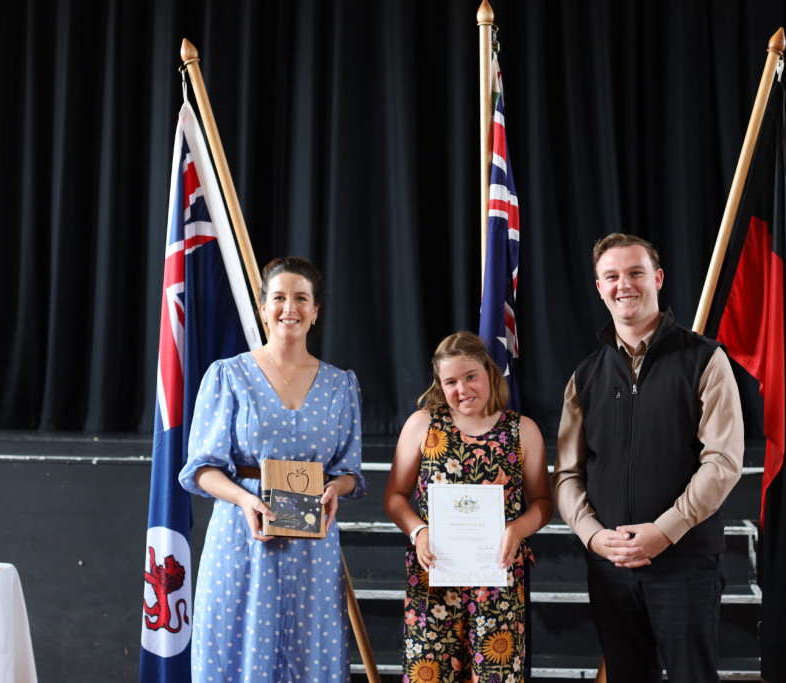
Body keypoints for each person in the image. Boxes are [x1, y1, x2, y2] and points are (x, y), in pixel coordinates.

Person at [552, 234, 744, 682]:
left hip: (685, 562)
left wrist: (664, 531)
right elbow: (567, 474)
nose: (625, 284)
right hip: (610, 566)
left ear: (657, 278)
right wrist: (594, 538)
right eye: (612, 276)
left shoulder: (705, 359)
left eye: (636, 272)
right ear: (598, 287)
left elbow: (723, 462)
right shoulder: (585, 376)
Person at [178, 256, 366, 683]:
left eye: (302, 298)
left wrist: (337, 487)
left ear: (316, 310)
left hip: (312, 549)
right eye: (279, 298)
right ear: (263, 308)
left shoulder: (341, 385)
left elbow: (351, 470)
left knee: (310, 660)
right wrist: (245, 498)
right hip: (242, 539)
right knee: (233, 657)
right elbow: (202, 469)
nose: (290, 308)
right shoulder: (228, 376)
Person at [383, 332, 553, 683]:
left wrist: (518, 528)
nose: (462, 389)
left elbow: (543, 504)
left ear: (490, 372)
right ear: (440, 385)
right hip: (433, 578)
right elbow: (395, 497)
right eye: (451, 382)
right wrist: (419, 531)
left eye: (471, 376)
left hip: (499, 580)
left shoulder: (523, 431)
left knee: (497, 676)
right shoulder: (422, 425)